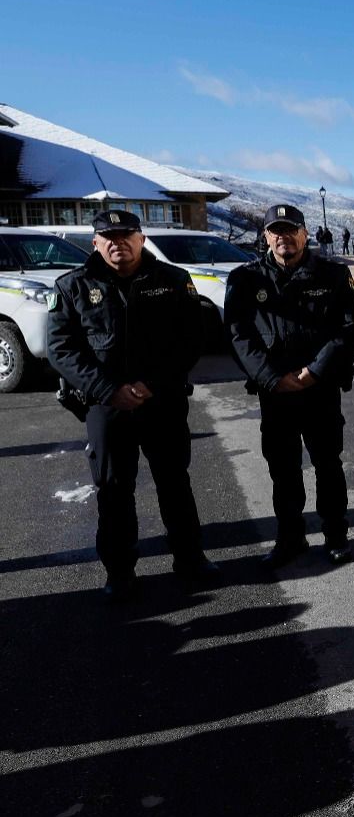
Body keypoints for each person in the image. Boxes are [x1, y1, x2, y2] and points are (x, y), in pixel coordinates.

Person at [46, 209, 218, 600]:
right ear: (95, 242)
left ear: (141, 239)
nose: (118, 243)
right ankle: (120, 571)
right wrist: (108, 389)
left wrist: (151, 384)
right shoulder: (73, 286)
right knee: (114, 490)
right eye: (109, 237)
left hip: (162, 400)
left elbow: (192, 338)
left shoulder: (172, 279)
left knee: (174, 482)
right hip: (107, 406)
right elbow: (61, 348)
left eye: (126, 235)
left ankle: (190, 558)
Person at [226, 204, 354, 567]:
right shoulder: (245, 279)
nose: (283, 237)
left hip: (319, 389)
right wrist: (272, 377)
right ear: (266, 236)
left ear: (305, 234)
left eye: (290, 230)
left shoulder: (333, 275)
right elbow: (238, 335)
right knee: (283, 470)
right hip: (276, 392)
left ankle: (336, 536)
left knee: (328, 465)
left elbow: (348, 328)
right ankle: (290, 538)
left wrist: (314, 371)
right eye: (276, 231)